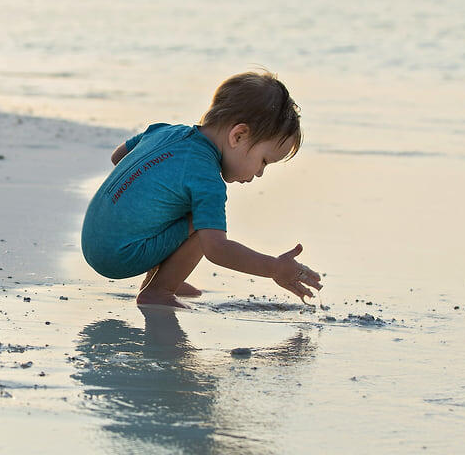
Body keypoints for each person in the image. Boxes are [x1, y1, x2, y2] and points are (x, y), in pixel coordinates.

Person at [80, 70, 323, 309]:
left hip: (93, 239)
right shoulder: (206, 179)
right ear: (238, 136)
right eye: (263, 161)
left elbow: (118, 156)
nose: (259, 173)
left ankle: (164, 276)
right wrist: (275, 268)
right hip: (120, 256)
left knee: (176, 201)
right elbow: (217, 249)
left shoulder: (164, 130)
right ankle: (159, 290)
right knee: (202, 220)